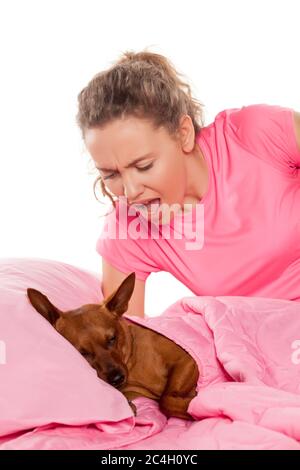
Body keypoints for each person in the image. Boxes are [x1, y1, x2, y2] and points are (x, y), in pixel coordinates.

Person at [76, 49, 300, 318]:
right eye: (111, 175)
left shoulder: (255, 135)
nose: (131, 191)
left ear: (183, 134)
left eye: (144, 166)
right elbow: (123, 339)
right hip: (271, 345)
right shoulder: (128, 229)